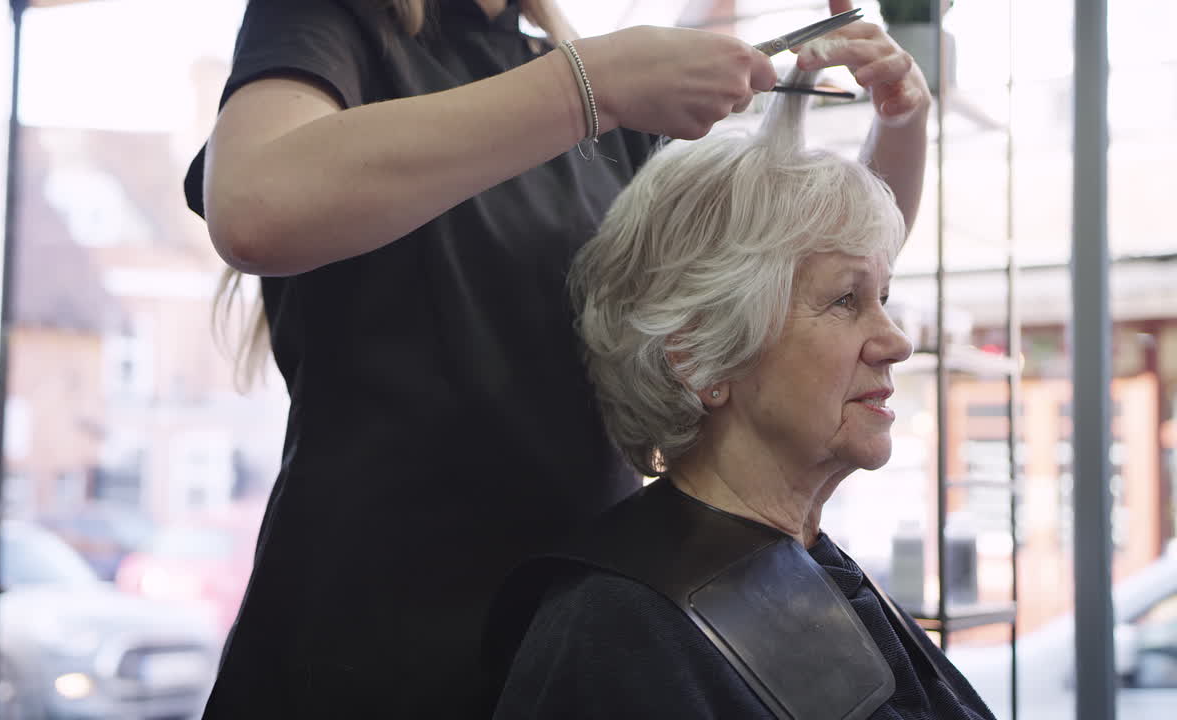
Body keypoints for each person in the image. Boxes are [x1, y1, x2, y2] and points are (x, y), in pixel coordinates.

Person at [184, 0, 930, 716]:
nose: (889, 338)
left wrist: (900, 127)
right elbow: (255, 207)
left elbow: (775, 304)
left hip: (585, 629)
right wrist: (592, 85)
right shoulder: (328, 24)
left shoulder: (602, 106)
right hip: (366, 647)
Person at [485, 69, 991, 720]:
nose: (897, 342)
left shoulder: (806, 569)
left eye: (883, 298)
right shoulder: (616, 629)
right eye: (845, 299)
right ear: (700, 357)